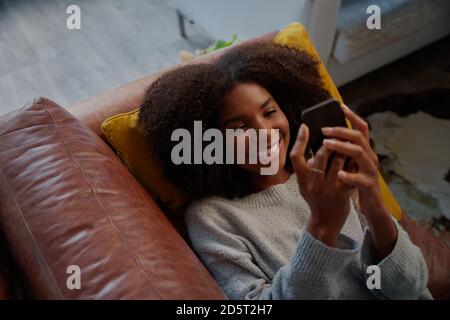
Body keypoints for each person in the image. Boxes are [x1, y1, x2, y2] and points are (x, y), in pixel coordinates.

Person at [138, 42, 432, 299]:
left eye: (269, 112)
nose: (265, 132)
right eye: (239, 128)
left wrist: (373, 201)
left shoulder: (326, 168)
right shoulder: (212, 217)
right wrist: (322, 228)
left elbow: (411, 287)